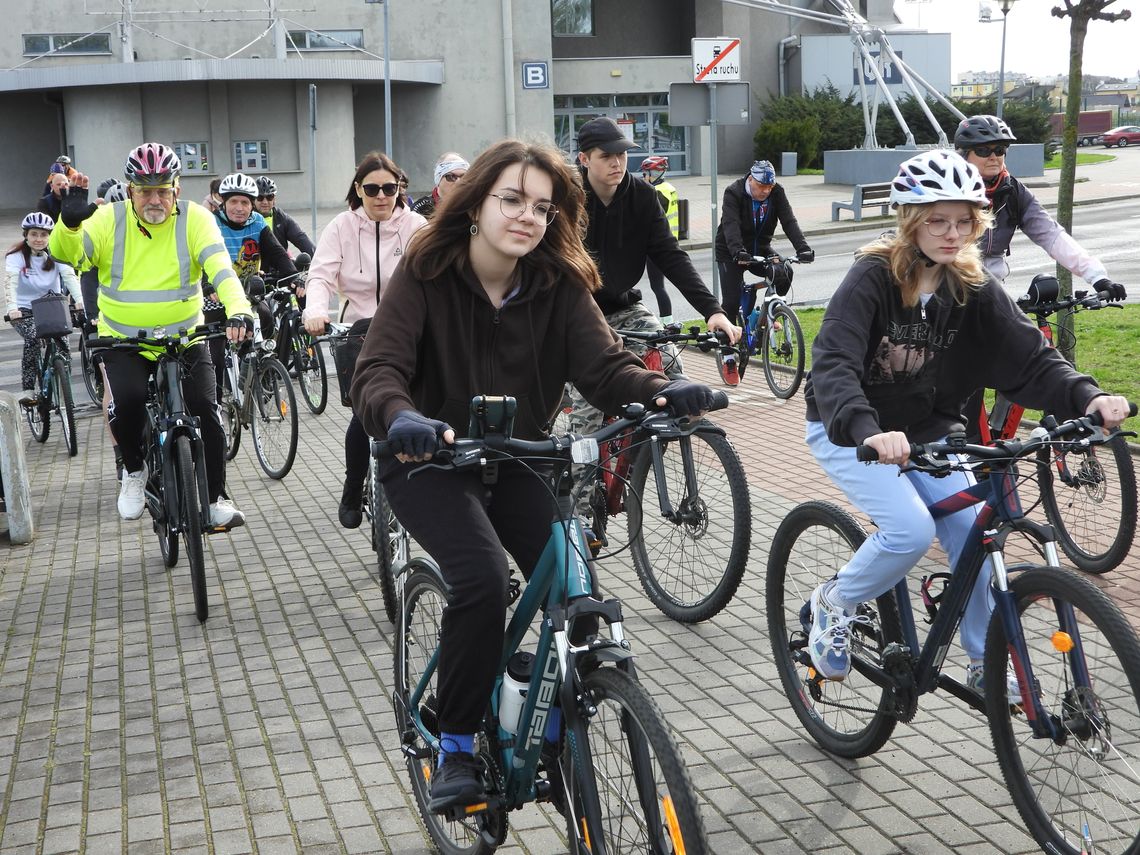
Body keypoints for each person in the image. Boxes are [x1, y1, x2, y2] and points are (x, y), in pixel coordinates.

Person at [350, 138, 718, 813]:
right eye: (512, 200)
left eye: (543, 207)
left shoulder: (556, 284)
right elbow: (377, 371)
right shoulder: (426, 272)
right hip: (426, 461)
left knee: (577, 595)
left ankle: (550, 710)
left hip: (518, 457)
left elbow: (605, 368)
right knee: (483, 579)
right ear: (476, 204)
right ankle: (456, 741)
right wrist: (400, 417)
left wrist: (657, 389)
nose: (528, 217)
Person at [801, 149, 1131, 693]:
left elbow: (1029, 355)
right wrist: (866, 429)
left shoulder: (969, 286)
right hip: (852, 430)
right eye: (937, 220)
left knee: (976, 533)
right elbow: (834, 362)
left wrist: (1087, 395)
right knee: (909, 530)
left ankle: (984, 663)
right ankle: (834, 602)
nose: (952, 233)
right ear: (909, 220)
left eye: (963, 221)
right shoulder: (872, 279)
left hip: (928, 432)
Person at [49, 142, 253, 526]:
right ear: (131, 191)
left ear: (177, 189)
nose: (155, 198)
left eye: (163, 189)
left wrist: (239, 308)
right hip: (124, 340)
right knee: (125, 403)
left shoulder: (196, 219)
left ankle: (212, 499)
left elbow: (221, 270)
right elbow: (71, 255)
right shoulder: (110, 218)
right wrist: (70, 224)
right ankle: (134, 470)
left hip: (185, 336)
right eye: (145, 190)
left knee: (206, 412)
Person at [952, 114, 1126, 440]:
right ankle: (965, 446)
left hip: (990, 292)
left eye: (1001, 149)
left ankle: (997, 440)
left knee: (1024, 357)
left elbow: (1051, 235)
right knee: (966, 383)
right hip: (950, 295)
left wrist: (1097, 276)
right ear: (963, 153)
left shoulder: (1011, 191)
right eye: (984, 149)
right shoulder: (947, 193)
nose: (994, 156)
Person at [570, 116, 737, 435]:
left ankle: (657, 449)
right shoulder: (567, 198)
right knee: (586, 418)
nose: (617, 163)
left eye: (621, 154)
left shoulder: (643, 196)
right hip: (575, 314)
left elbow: (671, 255)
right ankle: (582, 482)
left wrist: (713, 311)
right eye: (606, 156)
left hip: (623, 307)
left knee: (671, 365)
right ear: (584, 159)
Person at [302, 151, 427, 529]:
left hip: (409, 329)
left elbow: (435, 272)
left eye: (389, 188)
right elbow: (321, 274)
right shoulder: (342, 226)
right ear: (358, 189)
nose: (381, 196)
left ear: (399, 189)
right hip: (359, 332)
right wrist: (315, 311)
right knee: (364, 414)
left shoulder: (415, 225)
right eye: (371, 188)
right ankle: (353, 486)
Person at [714, 159, 814, 320]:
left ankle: (770, 317)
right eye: (761, 186)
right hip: (730, 251)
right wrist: (738, 252)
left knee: (785, 272)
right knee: (732, 302)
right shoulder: (734, 192)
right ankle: (728, 341)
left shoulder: (777, 191)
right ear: (751, 179)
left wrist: (803, 248)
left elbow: (789, 221)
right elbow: (730, 224)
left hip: (760, 248)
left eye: (769, 186)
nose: (766, 191)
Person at [5, 212, 84, 402]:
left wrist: (80, 301)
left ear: (50, 236)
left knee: (63, 345)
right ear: (26, 235)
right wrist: (12, 308)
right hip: (24, 310)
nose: (39, 239)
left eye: (43, 235)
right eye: (34, 234)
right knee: (32, 338)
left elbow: (70, 278)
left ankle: (64, 384)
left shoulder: (57, 254)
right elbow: (10, 283)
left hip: (52, 306)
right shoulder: (16, 257)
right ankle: (28, 390)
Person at [639, 154, 679, 324]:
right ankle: (667, 322)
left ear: (653, 174)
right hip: (667, 243)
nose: (643, 177)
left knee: (657, 286)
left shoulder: (656, 193)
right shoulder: (668, 188)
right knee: (658, 286)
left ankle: (668, 323)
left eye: (644, 174)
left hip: (658, 246)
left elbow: (646, 221)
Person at [253, 175, 316, 263]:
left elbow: (301, 238)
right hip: (254, 271)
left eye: (269, 197)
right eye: (260, 197)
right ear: (253, 199)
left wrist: (319, 260)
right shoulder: (246, 219)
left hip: (281, 270)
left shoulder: (282, 218)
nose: (265, 202)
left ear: (274, 199)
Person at [410, 152, 469, 218]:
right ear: (438, 179)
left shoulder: (473, 206)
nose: (458, 182)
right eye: (451, 177)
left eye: (464, 176)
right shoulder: (421, 209)